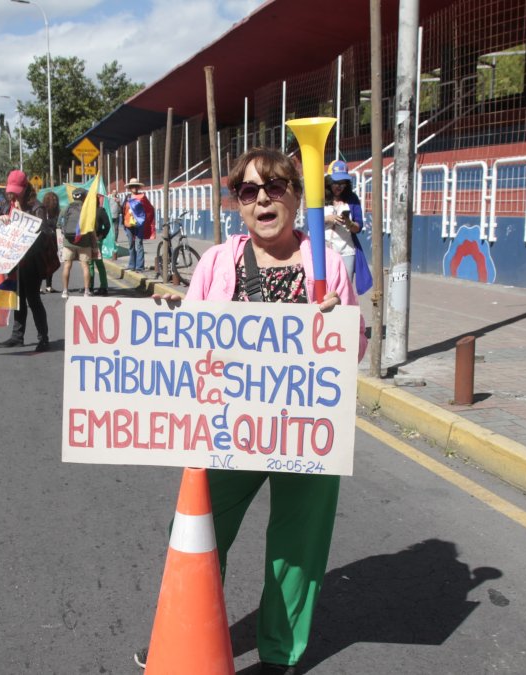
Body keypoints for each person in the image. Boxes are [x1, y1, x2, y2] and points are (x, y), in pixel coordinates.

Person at [137, 148, 366, 674]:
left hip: (308, 428)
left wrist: (334, 324)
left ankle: (279, 655)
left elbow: (351, 350)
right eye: (249, 191)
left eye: (276, 187)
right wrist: (172, 320)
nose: (263, 198)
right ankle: (181, 634)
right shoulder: (218, 262)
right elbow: (192, 345)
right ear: (238, 205)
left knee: (297, 548)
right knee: (200, 531)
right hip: (226, 428)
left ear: (295, 196)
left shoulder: (326, 264)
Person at [0, 169, 58, 351]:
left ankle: (43, 338)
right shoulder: (7, 204)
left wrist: (26, 220)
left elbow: (46, 232)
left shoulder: (37, 207)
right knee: (18, 298)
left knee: (33, 299)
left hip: (32, 261)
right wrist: (0, 218)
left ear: (25, 188)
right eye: (11, 190)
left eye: (17, 190)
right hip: (15, 261)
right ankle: (17, 336)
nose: (13, 194)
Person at [322, 160, 364, 288]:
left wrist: (349, 223)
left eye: (343, 183)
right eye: (336, 183)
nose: (339, 186)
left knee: (345, 287)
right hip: (323, 252)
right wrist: (328, 219)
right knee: (325, 287)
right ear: (328, 181)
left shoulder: (352, 199)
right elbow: (311, 223)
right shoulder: (320, 197)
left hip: (346, 251)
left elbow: (358, 227)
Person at [58, 187, 104, 298]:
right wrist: (95, 243)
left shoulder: (66, 208)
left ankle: (65, 291)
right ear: (84, 197)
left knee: (67, 266)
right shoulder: (87, 209)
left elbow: (59, 224)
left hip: (69, 242)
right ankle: (87, 291)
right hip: (84, 242)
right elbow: (93, 227)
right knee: (85, 266)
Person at [120, 178, 154, 271]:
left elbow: (149, 209)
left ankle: (139, 267)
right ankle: (132, 265)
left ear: (138, 187)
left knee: (139, 245)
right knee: (131, 245)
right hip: (128, 224)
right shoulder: (127, 197)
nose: (134, 188)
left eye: (135, 186)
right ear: (130, 188)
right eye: (132, 186)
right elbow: (122, 210)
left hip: (139, 225)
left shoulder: (142, 197)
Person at [87, 191, 111, 296]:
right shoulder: (96, 211)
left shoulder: (99, 211)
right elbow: (108, 225)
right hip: (93, 240)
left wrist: (101, 235)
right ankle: (95, 287)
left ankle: (99, 287)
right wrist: (102, 235)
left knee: (93, 264)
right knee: (94, 264)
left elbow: (107, 225)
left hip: (95, 240)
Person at [41, 191, 61, 293]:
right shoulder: (56, 213)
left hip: (43, 239)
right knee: (50, 262)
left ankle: (41, 286)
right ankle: (48, 285)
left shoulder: (42, 211)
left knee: (42, 263)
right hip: (53, 240)